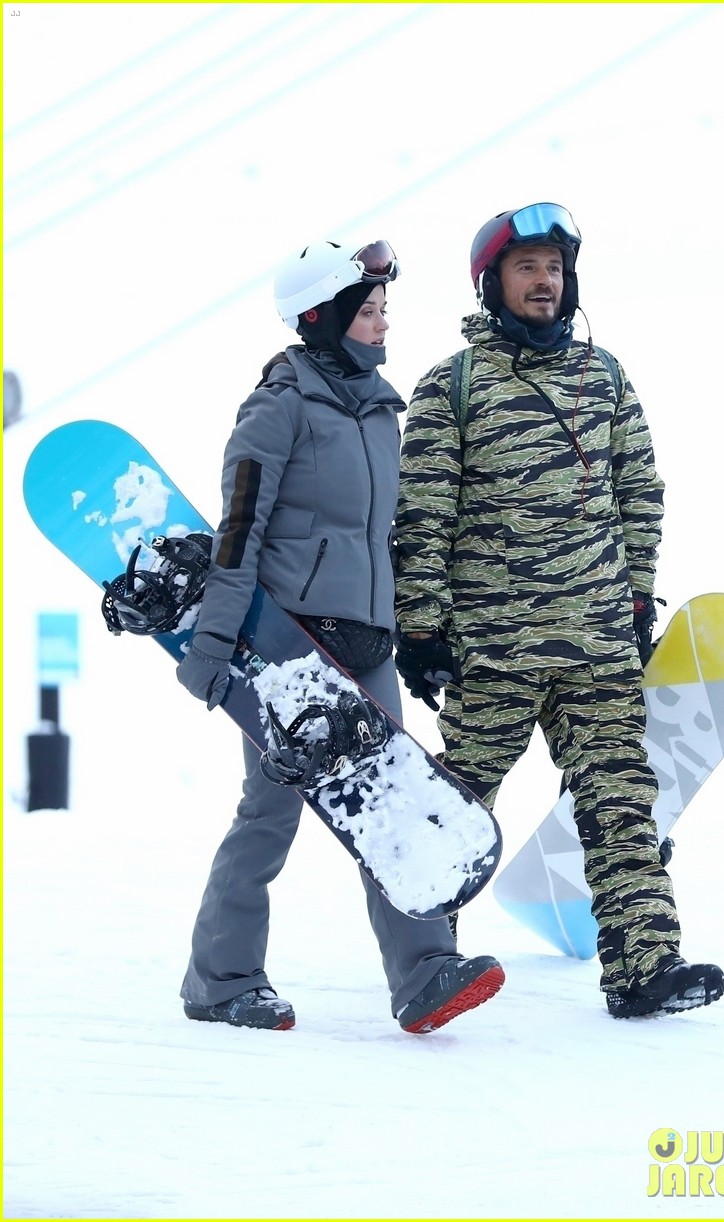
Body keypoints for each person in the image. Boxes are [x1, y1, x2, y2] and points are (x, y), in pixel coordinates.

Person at [393, 203, 724, 1019]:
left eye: (554, 269)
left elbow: (638, 492)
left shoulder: (602, 374)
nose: (544, 282)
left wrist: (636, 597)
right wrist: (421, 629)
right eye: (527, 268)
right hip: (492, 648)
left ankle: (645, 966)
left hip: (596, 645)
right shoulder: (452, 385)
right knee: (453, 810)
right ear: (492, 284)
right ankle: (422, 964)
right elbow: (423, 515)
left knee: (621, 804)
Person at [175, 237, 505, 1034]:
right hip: (293, 647)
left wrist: (414, 632)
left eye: (384, 308)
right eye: (368, 311)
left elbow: (383, 538)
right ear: (321, 317)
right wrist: (211, 647)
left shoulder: (382, 410)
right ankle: (220, 979)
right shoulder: (278, 405)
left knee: (394, 802)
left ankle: (424, 970)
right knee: (272, 812)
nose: (383, 322)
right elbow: (239, 531)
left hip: (368, 640)